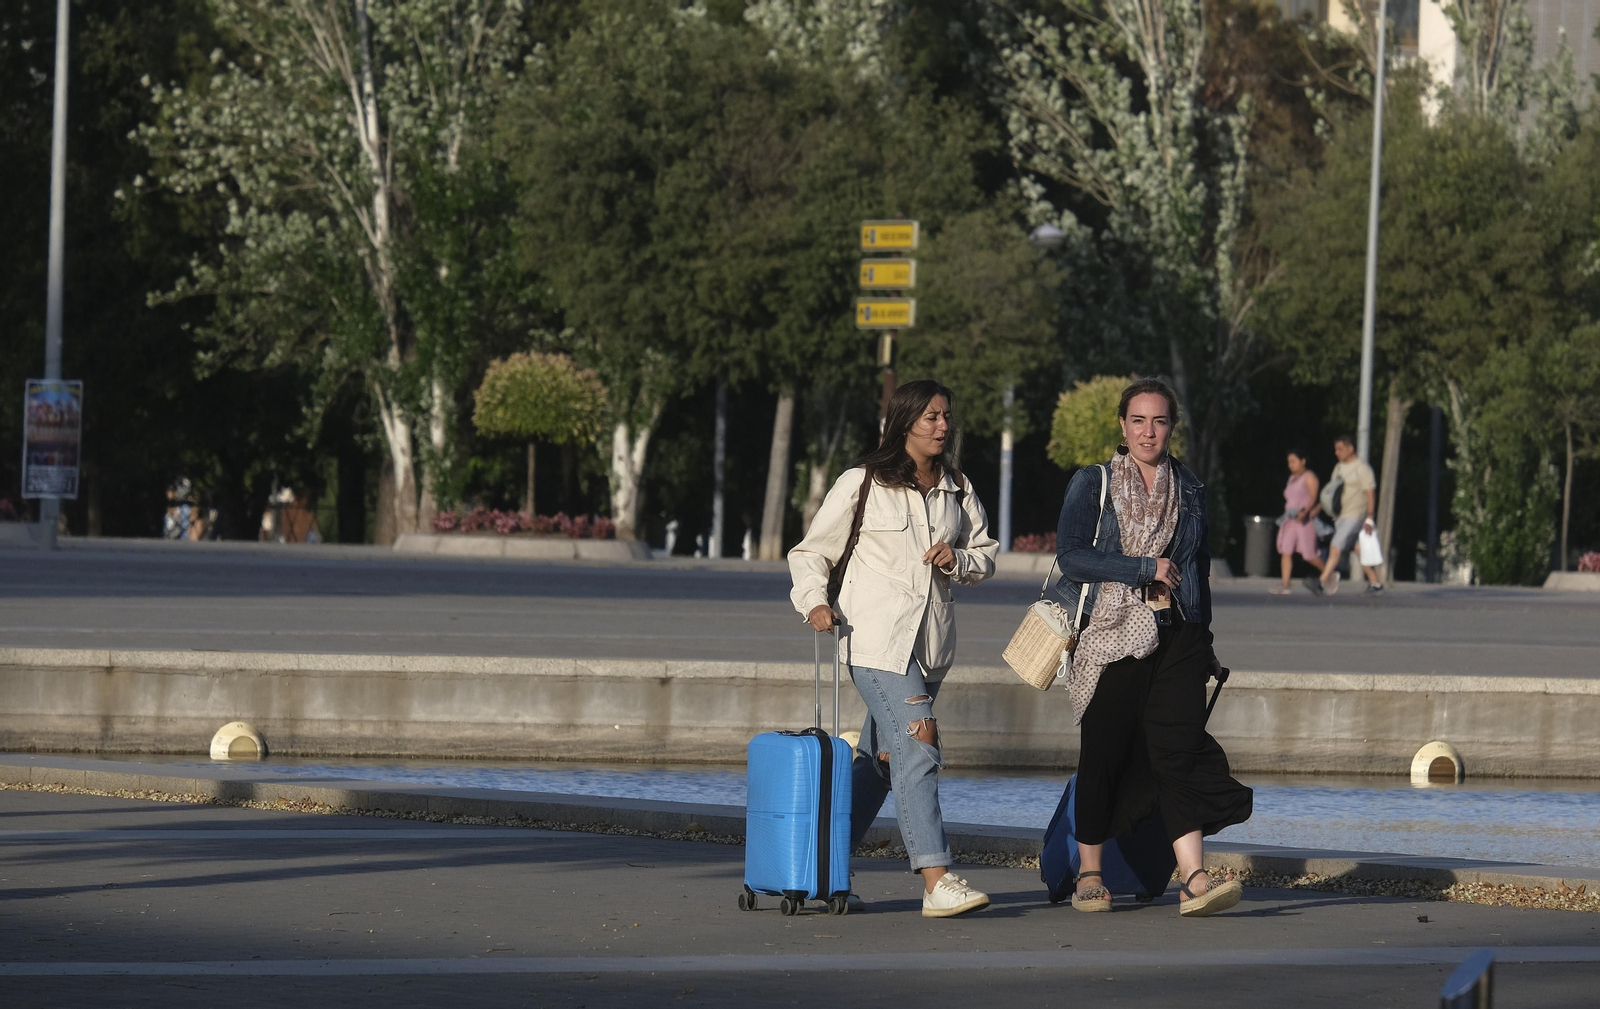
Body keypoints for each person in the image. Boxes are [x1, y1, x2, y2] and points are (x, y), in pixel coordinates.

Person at [789, 379, 999, 918]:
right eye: (931, 416)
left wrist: (959, 560)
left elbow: (985, 555)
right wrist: (814, 603)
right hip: (874, 639)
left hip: (930, 646)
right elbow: (811, 552)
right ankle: (935, 878)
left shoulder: (957, 485)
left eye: (946, 416)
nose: (942, 426)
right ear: (905, 421)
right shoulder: (862, 482)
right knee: (918, 744)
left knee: (881, 763)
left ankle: (818, 868)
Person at [1054, 377, 1252, 917]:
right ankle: (1089, 873)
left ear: (1171, 428)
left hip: (1177, 636)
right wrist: (1142, 568)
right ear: (1122, 426)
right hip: (1112, 636)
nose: (1148, 431)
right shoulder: (1091, 483)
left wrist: (1204, 640)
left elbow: (1199, 572)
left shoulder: (1189, 487)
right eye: (1138, 421)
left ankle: (1194, 878)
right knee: (1104, 754)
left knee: (1177, 754)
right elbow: (1071, 557)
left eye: (1159, 421)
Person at [1308, 434, 1380, 596]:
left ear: (1350, 448)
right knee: (1357, 549)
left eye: (1340, 449)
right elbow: (1332, 491)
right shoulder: (1339, 468)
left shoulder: (1362, 468)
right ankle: (1375, 583)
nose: (1337, 453)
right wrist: (1319, 507)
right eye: (1336, 449)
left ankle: (1322, 582)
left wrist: (1369, 517)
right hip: (1341, 516)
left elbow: (1370, 493)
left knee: (1335, 547)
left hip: (1355, 516)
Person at [1273, 448, 1325, 595]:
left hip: (1304, 519)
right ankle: (1285, 584)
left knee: (1309, 554)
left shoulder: (1309, 477)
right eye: (1289, 462)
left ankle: (1328, 572)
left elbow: (1313, 497)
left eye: (1293, 461)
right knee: (1286, 550)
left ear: (1303, 461)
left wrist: (1305, 511)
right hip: (1290, 519)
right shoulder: (1291, 478)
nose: (1290, 465)